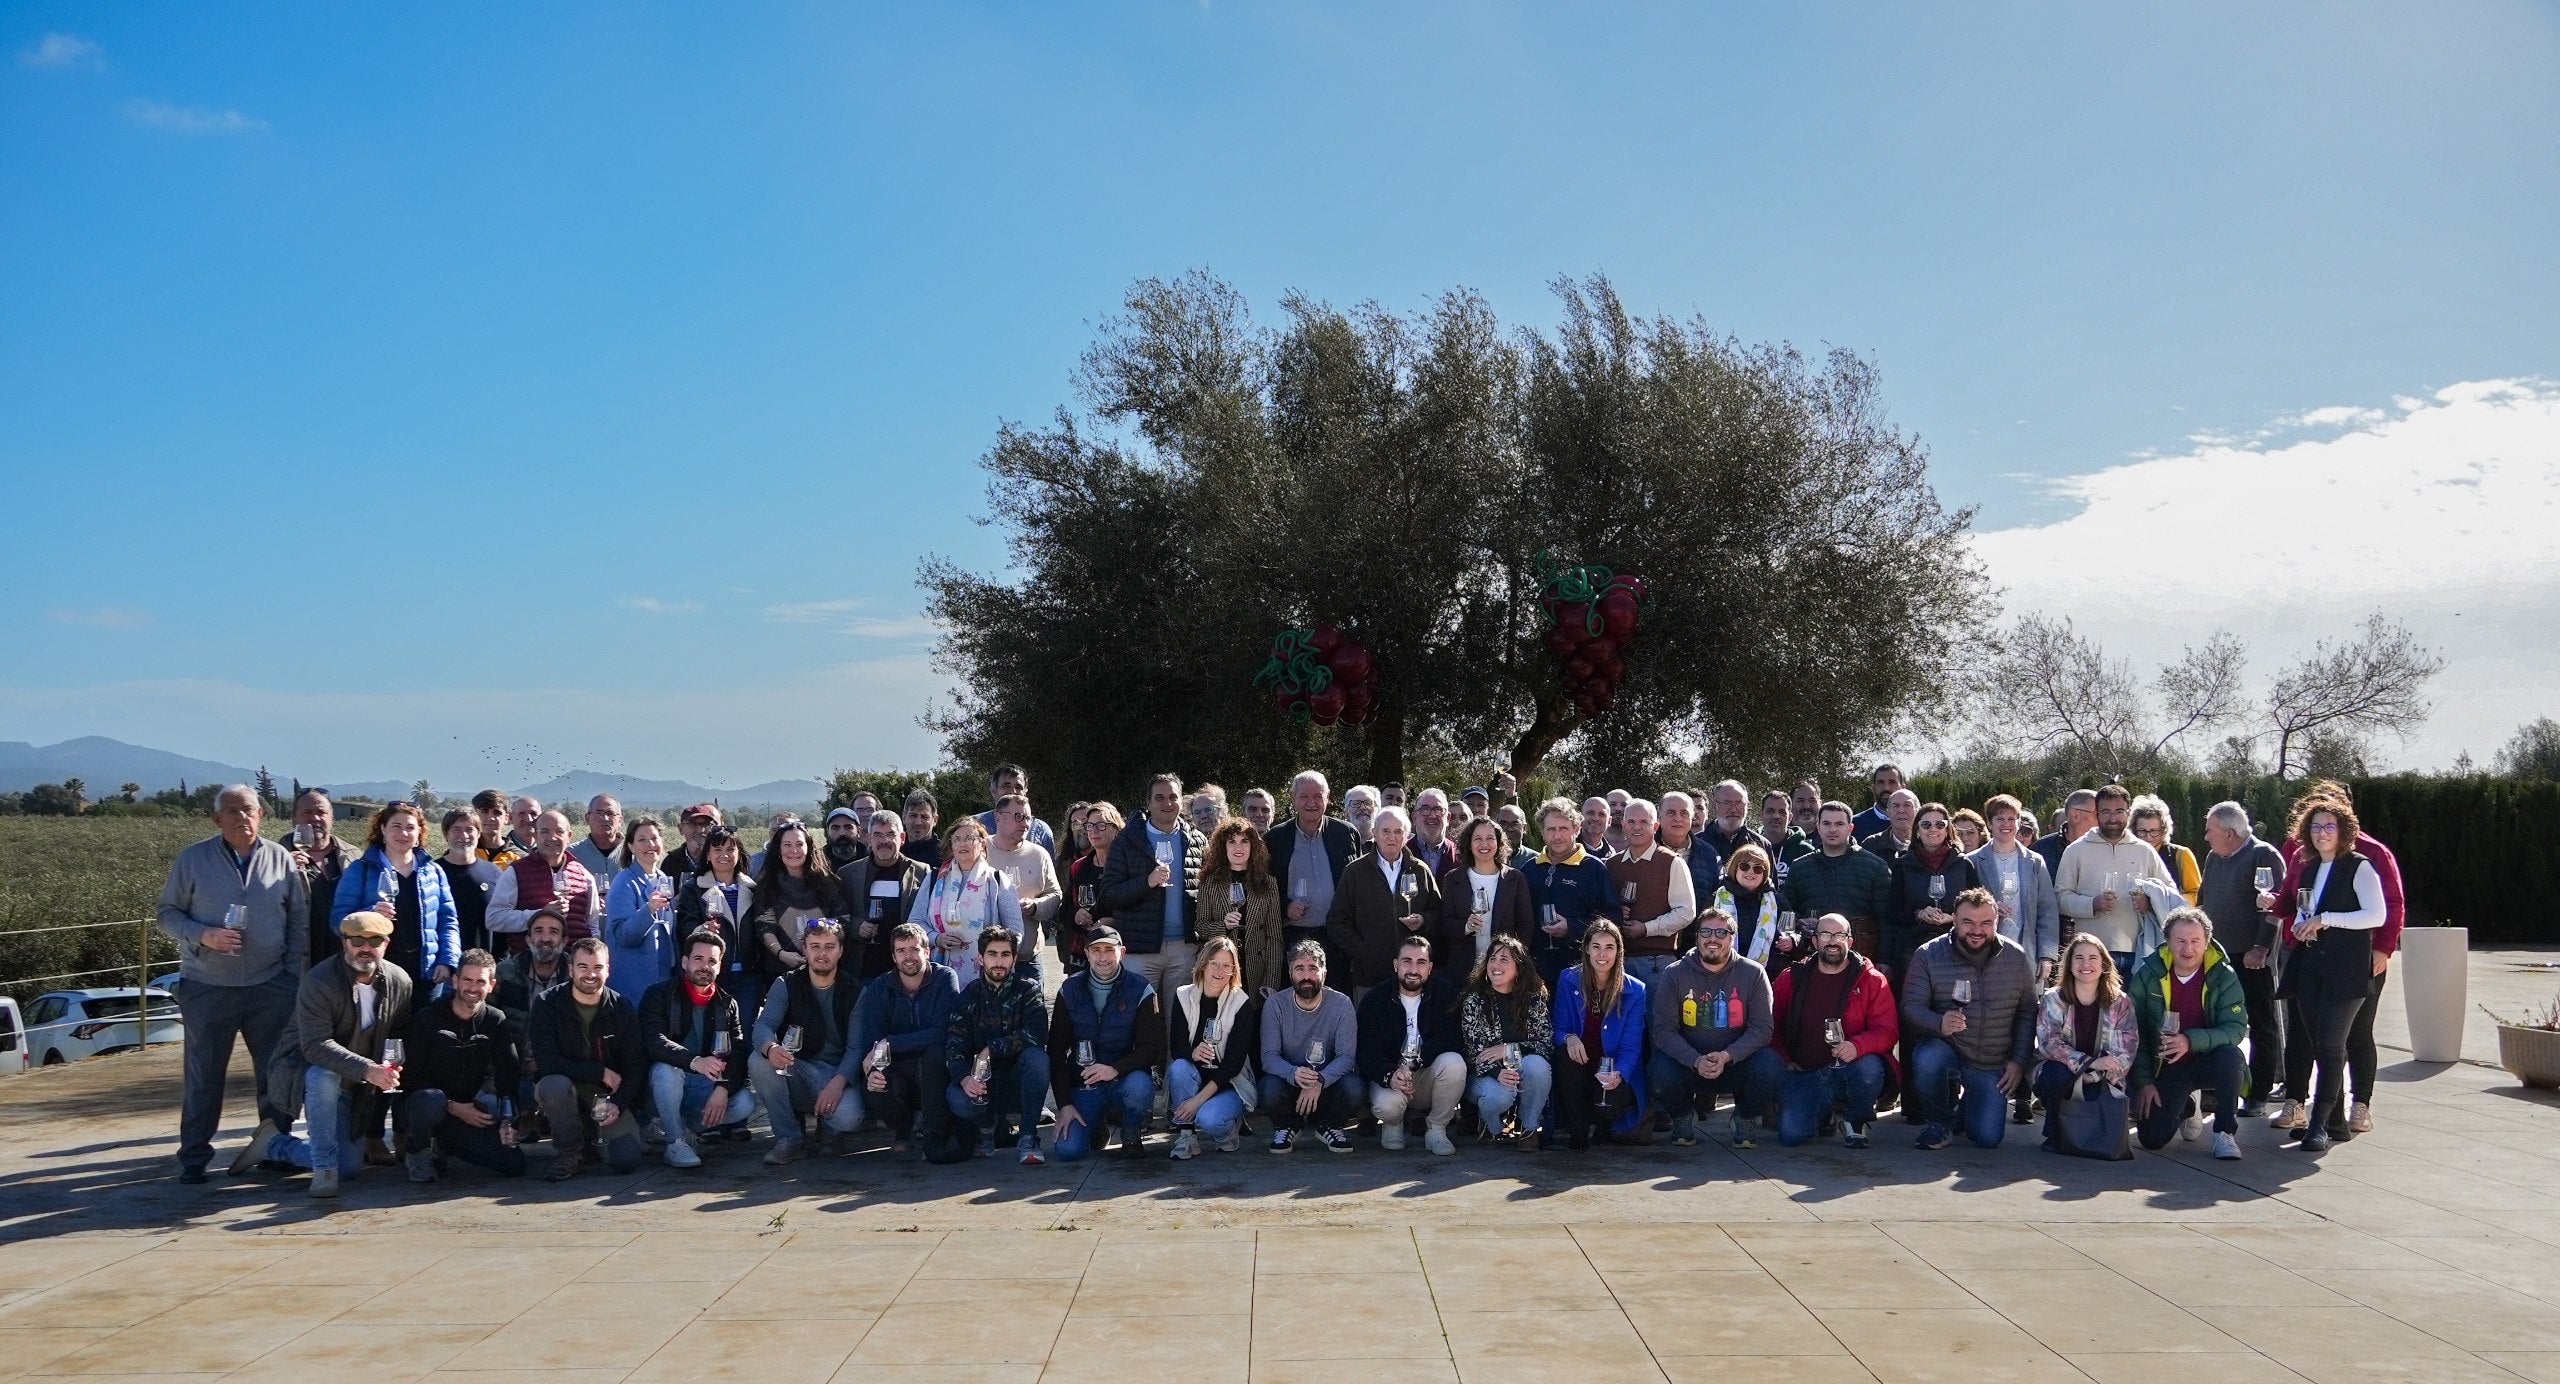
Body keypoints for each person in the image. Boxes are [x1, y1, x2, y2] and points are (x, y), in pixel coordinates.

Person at [158, 786, 305, 1182]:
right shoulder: (193, 859)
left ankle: (276, 1148)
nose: (243, 818)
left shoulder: (279, 859)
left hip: (270, 985)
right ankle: (194, 1158)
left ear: (261, 815)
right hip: (207, 986)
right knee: (205, 1075)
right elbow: (167, 913)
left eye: (249, 810)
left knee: (275, 1074)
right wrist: (203, 935)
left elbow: (298, 921)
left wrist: (290, 974)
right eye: (233, 811)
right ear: (216, 819)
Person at [234, 909, 414, 1197]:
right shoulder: (319, 981)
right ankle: (323, 1171)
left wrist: (392, 1065)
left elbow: (398, 1032)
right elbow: (315, 1046)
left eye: (374, 940)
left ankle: (273, 1145)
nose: (365, 948)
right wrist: (370, 1069)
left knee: (349, 1168)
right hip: (305, 1071)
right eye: (357, 940)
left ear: (386, 944)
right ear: (344, 942)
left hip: (358, 1084)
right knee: (323, 1075)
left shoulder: (400, 981)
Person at [2277, 782, 2406, 1136]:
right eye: (2316, 820)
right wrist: (2277, 908)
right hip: (2310, 960)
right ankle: (2310, 1109)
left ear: (2345, 816)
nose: (2322, 828)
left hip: (2356, 962)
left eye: (2330, 819)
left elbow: (2387, 909)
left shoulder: (2369, 857)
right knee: (2310, 1038)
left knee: (2354, 1037)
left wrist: (2382, 949)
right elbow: (2295, 900)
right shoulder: (2304, 857)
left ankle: (2356, 1107)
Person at [1902, 889, 2038, 1151]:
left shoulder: (2016, 956)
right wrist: (1938, 1023)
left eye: (1986, 923)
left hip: (1992, 1061)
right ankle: (1939, 1121)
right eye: (1968, 922)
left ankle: (1965, 1111)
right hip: (1949, 1048)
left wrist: (2019, 1060)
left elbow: (2027, 1012)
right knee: (1927, 1058)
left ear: (1997, 921)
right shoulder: (1928, 954)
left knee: (1987, 1139)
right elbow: (1911, 1006)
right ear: (1954, 919)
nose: (1977, 930)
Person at [1645, 906, 1781, 1148]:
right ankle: (1682, 1117)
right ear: (1696, 936)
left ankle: (1745, 1117)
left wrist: (1728, 1056)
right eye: (1706, 932)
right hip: (1689, 1065)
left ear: (1732, 937)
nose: (1712, 939)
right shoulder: (1674, 974)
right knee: (1659, 1070)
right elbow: (1663, 1030)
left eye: (1721, 933)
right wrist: (1696, 1060)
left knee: (1770, 1066)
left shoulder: (1753, 973)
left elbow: (1762, 1029)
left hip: (1736, 1064)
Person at [394, 947, 528, 1183]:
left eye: (480, 981)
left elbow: (509, 1073)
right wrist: (451, 1105)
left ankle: (445, 1145)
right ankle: (418, 1149)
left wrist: (509, 1121)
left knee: (513, 1163)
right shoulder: (428, 1018)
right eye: (467, 980)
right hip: (422, 1105)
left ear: (491, 985)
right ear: (455, 981)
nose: (473, 988)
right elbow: (408, 1078)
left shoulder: (495, 1020)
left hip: (465, 1110)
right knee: (432, 1100)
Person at [2129, 908, 2249, 1160]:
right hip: (2165, 1065)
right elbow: (2132, 1032)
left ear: (2207, 942)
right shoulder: (2148, 974)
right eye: (2180, 941)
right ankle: (2188, 1105)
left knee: (2231, 1057)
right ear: (2168, 942)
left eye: (2195, 941)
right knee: (2151, 1139)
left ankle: (2224, 1132)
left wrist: (2189, 1041)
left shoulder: (2223, 976)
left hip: (2207, 1058)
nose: (2188, 949)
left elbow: (2235, 1028)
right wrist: (2144, 1082)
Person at [1770, 912, 1897, 1148]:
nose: (1832, 941)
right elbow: (1770, 1024)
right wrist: (1785, 1059)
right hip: (1803, 1072)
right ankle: (1823, 1114)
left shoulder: (1871, 980)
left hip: (1847, 1070)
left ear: (1849, 941)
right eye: (1825, 934)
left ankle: (1855, 1121)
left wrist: (1857, 1046)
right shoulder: (1792, 978)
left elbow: (1887, 1030)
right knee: (1792, 1136)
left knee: (1870, 1068)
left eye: (1839, 935)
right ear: (1815, 941)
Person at [528, 936, 647, 1180]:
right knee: (553, 1085)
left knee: (627, 1161)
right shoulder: (546, 1004)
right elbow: (547, 1061)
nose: (590, 974)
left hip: (605, 1098)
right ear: (570, 969)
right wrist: (599, 1072)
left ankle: (592, 1139)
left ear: (608, 970)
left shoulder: (622, 1007)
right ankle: (570, 1152)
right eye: (583, 967)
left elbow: (636, 1065)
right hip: (565, 1088)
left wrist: (619, 1103)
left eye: (598, 967)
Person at [748, 920, 867, 1163]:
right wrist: (771, 1047)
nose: (821, 953)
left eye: (829, 946)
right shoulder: (786, 983)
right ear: (804, 949)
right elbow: (763, 1025)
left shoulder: (855, 990)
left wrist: (838, 1084)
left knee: (850, 1117)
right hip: (799, 1068)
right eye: (815, 946)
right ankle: (789, 1139)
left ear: (841, 950)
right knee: (758, 1061)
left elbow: (857, 1048)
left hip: (837, 1074)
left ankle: (831, 1129)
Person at [639, 929, 758, 1168]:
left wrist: (723, 1088)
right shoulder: (659, 994)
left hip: (700, 1085)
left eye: (712, 961)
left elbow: (738, 1052)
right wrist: (694, 1061)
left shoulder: (727, 1003)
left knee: (745, 1102)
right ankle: (674, 1142)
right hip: (657, 1088)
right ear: (684, 962)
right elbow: (653, 1040)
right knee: (666, 1070)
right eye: (698, 959)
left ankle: (683, 1130)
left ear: (720, 965)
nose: (705, 966)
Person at [2198, 801, 2287, 1114]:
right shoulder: (2213, 857)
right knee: (2217, 1020)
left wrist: (2261, 947)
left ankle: (2259, 1092)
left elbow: (2276, 907)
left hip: (2253, 958)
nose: (2206, 836)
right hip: (2218, 956)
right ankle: (2215, 1087)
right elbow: (2204, 901)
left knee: (2261, 1023)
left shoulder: (2263, 855)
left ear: (2230, 833)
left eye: (2210, 830)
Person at [1049, 925, 1165, 1161]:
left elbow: (1152, 1049)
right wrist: (1064, 1104)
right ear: (1087, 953)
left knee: (1141, 1086)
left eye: (1109, 950)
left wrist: (1114, 1069)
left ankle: (1131, 1129)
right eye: (1096, 950)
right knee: (1068, 1151)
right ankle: (1096, 1125)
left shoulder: (1141, 989)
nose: (1103, 957)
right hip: (1084, 1085)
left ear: (1121, 952)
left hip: (1124, 1080)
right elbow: (1056, 1050)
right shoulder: (1069, 989)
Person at [944, 925, 1052, 1163]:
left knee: (1038, 1059)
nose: (999, 961)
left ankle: (1028, 1135)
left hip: (1017, 1079)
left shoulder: (1028, 989)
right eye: (992, 954)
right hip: (982, 1081)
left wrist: (991, 1048)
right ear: (980, 958)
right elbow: (954, 1048)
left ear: (1015, 958)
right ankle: (986, 1128)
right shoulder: (968, 995)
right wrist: (965, 1078)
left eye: (1005, 955)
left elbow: (1037, 1034)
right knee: (957, 1098)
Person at [332, 800, 462, 998]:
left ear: (419, 832)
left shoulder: (434, 872)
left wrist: (447, 960)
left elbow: (448, 920)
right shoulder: (360, 870)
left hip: (426, 974)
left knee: (424, 1028)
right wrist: (368, 915)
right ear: (383, 830)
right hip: (376, 972)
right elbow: (337, 920)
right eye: (396, 826)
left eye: (410, 827)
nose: (403, 834)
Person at [855, 923, 963, 1156]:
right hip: (897, 1064)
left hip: (935, 1064)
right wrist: (874, 1069)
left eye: (914, 949)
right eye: (901, 951)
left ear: (927, 951)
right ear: (893, 956)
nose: (908, 957)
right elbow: (872, 1041)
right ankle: (902, 1129)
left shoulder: (945, 978)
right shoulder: (879, 987)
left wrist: (890, 1042)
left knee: (934, 1055)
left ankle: (935, 1135)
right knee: (874, 1085)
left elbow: (943, 1031)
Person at [1357, 934, 1465, 1155]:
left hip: (1426, 1074)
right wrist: (1390, 1075)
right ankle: (1393, 1124)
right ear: (1396, 964)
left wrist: (1415, 1063)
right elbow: (1367, 1050)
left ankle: (1436, 1129)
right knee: (1387, 1107)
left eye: (1421, 962)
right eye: (1407, 961)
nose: (1413, 969)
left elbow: (1449, 1038)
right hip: (1390, 1077)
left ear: (1430, 967)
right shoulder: (1375, 999)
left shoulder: (1445, 993)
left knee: (1454, 1063)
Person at [1326, 805, 1445, 999]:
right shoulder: (1355, 872)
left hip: (1413, 977)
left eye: (1398, 831)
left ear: (1406, 835)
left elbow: (1439, 912)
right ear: (1374, 833)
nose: (1392, 837)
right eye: (1386, 831)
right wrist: (1363, 950)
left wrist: (1423, 920)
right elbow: (1336, 922)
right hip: (1369, 977)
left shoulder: (1420, 870)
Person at [2032, 934, 2137, 1152]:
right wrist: (2089, 1063)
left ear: (2104, 964)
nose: (2085, 964)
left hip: (2104, 1077)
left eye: (2092, 958)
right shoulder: (2054, 998)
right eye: (2078, 958)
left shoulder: (2121, 1002)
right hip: (2062, 1072)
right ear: (2069, 965)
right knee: (2055, 1075)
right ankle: (2054, 1132)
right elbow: (2048, 1044)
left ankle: (2096, 1138)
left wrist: (2094, 1075)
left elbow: (2126, 1050)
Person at [1101, 773, 1206, 991]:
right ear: (1148, 803)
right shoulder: (1127, 841)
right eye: (1159, 797)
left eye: (1173, 797)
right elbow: (1109, 894)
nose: (1167, 803)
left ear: (1181, 801)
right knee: (1141, 1020)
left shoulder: (1198, 840)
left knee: (1176, 1021)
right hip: (1140, 951)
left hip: (1184, 949)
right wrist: (1146, 882)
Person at [2055, 784, 2173, 977]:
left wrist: (2150, 903)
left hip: (2140, 951)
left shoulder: (2144, 850)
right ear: (2096, 813)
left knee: (2134, 1008)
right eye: (2106, 812)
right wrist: (2092, 903)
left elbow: (2169, 892)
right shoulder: (2076, 850)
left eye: (2119, 811)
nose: (2112, 818)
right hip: (2092, 954)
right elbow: (2060, 898)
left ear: (2128, 812)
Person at [1257, 940, 1362, 1153]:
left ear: (1324, 972)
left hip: (1326, 1084)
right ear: (1290, 972)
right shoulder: (1275, 1005)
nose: (1306, 976)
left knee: (1355, 1088)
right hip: (1289, 1082)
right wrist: (1294, 1074)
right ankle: (1287, 1126)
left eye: (1313, 968)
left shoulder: (1342, 1004)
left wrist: (1319, 1081)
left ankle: (1330, 1126)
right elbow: (1269, 1057)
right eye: (1299, 969)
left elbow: (1347, 1057)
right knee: (1268, 1088)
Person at [1552, 921, 1650, 1149]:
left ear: (1619, 951)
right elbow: (1558, 1029)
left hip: (1611, 1065)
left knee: (1610, 1103)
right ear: (1586, 949)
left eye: (1609, 947)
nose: (1602, 954)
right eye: (1596, 946)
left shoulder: (1635, 990)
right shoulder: (1568, 979)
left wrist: (1620, 1073)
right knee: (1566, 1056)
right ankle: (1578, 1131)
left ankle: (1604, 1126)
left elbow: (1631, 1046)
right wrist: (1569, 1038)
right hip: (1579, 1065)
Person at [1167, 935, 1263, 1159]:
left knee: (1209, 1119)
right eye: (1214, 963)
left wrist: (1196, 1101)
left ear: (1233, 970)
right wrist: (1192, 1052)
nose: (1219, 971)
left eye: (1226, 966)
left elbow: (1233, 1065)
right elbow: (1177, 1046)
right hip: (1194, 1077)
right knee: (1179, 1067)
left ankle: (1228, 1131)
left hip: (1230, 1084)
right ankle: (1187, 1136)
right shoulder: (1183, 995)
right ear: (1203, 964)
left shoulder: (1241, 1002)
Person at [1460, 934, 1553, 1145]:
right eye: (1492, 958)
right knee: (1498, 1096)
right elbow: (1473, 1053)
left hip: (1518, 1067)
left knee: (1538, 1066)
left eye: (1504, 959)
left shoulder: (1534, 997)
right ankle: (1491, 1127)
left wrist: (1509, 1049)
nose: (1496, 964)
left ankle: (1529, 1129)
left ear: (1518, 967)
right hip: (1483, 1075)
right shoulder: (1474, 1000)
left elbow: (1545, 1043)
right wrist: (1496, 1072)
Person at [1966, 795, 2062, 985]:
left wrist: (2046, 955)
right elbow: (1964, 905)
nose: (2006, 824)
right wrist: (1989, 906)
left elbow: (2047, 910)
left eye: (2012, 819)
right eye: (2000, 819)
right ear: (1990, 823)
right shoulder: (1972, 861)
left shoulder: (2035, 861)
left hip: (2027, 951)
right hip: (1984, 952)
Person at [1525, 797, 1619, 988]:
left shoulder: (1594, 869)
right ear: (1542, 832)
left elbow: (1613, 918)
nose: (1557, 836)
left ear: (1576, 830)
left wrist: (1571, 927)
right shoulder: (1529, 869)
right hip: (1534, 971)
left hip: (1581, 971)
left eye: (1563, 829)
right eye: (1551, 829)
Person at [1266, 770, 1358, 959]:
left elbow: (1359, 884)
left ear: (1328, 798)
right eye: (1304, 797)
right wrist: (1286, 908)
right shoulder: (1275, 839)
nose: (1311, 803)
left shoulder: (1346, 834)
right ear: (1293, 799)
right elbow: (1264, 890)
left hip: (1338, 938)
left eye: (1318, 796)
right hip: (1293, 937)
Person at [1783, 802, 1892, 962]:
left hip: (1862, 959)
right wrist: (1802, 925)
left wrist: (1885, 960)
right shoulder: (1799, 867)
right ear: (1818, 827)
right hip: (1812, 960)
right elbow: (1788, 914)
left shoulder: (1875, 866)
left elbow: (1887, 920)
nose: (1833, 829)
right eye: (1826, 823)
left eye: (1839, 824)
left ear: (1850, 828)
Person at [1884, 803, 1980, 976]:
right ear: (1917, 831)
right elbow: (1892, 913)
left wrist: (1952, 917)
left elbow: (1978, 907)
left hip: (1957, 946)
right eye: (1926, 825)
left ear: (1947, 830)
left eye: (1940, 824)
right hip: (1913, 948)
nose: (1933, 829)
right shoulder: (1903, 866)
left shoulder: (1964, 865)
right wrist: (1919, 914)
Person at [487, 809, 606, 949]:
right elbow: (494, 918)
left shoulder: (584, 875)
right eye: (544, 831)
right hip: (528, 965)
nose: (552, 837)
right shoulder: (516, 871)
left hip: (572, 965)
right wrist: (539, 915)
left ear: (569, 836)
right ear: (536, 835)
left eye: (559, 832)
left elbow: (592, 925)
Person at [751, 818, 846, 986]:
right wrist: (781, 954)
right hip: (778, 971)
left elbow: (842, 921)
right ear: (778, 849)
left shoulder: (829, 883)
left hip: (824, 971)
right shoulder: (766, 885)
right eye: (787, 844)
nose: (794, 850)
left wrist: (818, 952)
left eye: (799, 844)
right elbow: (764, 926)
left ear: (808, 847)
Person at [1439, 817, 1535, 979]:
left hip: (1504, 971)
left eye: (1490, 838)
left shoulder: (1515, 878)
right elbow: (1444, 923)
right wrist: (1465, 926)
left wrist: (1514, 959)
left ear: (1499, 843)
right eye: (1478, 839)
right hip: (1462, 971)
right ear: (1469, 844)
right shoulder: (1453, 879)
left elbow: (1526, 926)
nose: (1484, 844)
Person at [1198, 817, 1285, 995]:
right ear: (1223, 847)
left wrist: (1271, 980)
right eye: (1232, 842)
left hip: (1256, 972)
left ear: (1253, 846)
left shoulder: (1268, 883)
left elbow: (1274, 937)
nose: (1238, 847)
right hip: (1220, 970)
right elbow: (1200, 927)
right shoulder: (1209, 883)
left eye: (1244, 841)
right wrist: (1224, 926)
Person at [840, 808, 928, 981]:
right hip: (864, 969)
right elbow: (837, 915)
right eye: (878, 835)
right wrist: (856, 926)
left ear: (902, 838)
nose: (884, 841)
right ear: (868, 838)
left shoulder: (922, 872)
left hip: (908, 968)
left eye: (890, 834)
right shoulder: (848, 874)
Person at [672, 824, 757, 994]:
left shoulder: (753, 889)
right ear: (708, 855)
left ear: (738, 854)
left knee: (745, 1021)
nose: (724, 855)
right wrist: (701, 930)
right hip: (710, 974)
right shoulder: (693, 888)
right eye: (717, 849)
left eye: (730, 849)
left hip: (750, 976)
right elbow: (684, 927)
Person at [604, 816, 679, 1004]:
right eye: (642, 840)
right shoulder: (624, 882)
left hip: (665, 978)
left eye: (654, 838)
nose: (650, 844)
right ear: (631, 847)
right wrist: (649, 909)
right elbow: (624, 935)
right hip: (635, 982)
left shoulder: (663, 879)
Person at [985, 794, 1063, 968]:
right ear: (998, 817)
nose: (1025, 824)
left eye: (1028, 818)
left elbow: (1056, 895)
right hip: (986, 960)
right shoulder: (980, 851)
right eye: (1018, 816)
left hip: (1028, 959)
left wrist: (1035, 906)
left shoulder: (1039, 854)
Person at [287, 788, 358, 965]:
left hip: (344, 963)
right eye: (307, 812)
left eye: (321, 812)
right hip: (295, 966)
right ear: (293, 819)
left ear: (332, 818)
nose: (315, 818)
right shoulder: (273, 858)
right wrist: (281, 869)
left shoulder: (355, 857)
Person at [1059, 803, 1120, 977]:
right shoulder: (1079, 867)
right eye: (1090, 825)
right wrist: (1076, 914)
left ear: (1116, 829)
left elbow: (1139, 911)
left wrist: (1114, 921)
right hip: (1082, 953)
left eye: (1101, 825)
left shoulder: (1127, 866)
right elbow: (1064, 911)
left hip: (1118, 952)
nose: (1093, 831)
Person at [439, 810, 499, 956]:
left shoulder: (494, 872)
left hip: (485, 967)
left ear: (479, 834)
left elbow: (501, 923)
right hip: (443, 967)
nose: (464, 836)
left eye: (469, 829)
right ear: (446, 834)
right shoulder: (432, 873)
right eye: (456, 829)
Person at [971, 764, 1060, 857]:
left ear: (1025, 792)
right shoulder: (975, 824)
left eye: (1018, 787)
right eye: (1006, 785)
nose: (1013, 791)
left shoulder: (1041, 830)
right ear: (994, 791)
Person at [2130, 795, 2202, 906]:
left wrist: (2165, 902)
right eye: (2142, 831)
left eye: (2154, 831)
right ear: (2134, 830)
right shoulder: (2129, 854)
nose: (2148, 837)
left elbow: (2197, 894)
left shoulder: (2181, 854)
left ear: (2164, 830)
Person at [2034, 789, 2097, 879]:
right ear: (2076, 815)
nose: (2104, 818)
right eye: (2096, 813)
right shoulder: (2042, 849)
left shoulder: (2107, 848)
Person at [569, 794, 626, 890]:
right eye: (599, 813)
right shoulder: (572, 854)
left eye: (610, 813)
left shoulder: (633, 852)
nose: (605, 818)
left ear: (620, 820)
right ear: (587, 818)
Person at [1409, 788, 1461, 876]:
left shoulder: (1460, 855)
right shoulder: (1400, 853)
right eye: (1425, 809)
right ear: (1414, 818)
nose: (1432, 816)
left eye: (1438, 810)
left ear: (1448, 818)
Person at [664, 802, 721, 881]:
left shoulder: (721, 858)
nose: (700, 830)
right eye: (693, 824)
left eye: (705, 824)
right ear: (681, 829)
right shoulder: (671, 862)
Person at [471, 789, 523, 868]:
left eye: (497, 813)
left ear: (506, 818)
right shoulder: (462, 853)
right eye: (484, 811)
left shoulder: (520, 858)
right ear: (475, 816)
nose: (491, 818)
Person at [1852, 764, 1905, 841]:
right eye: (1881, 782)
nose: (1886, 788)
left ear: (1903, 788)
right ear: (1873, 788)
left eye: (1892, 782)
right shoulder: (1855, 824)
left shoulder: (1917, 824)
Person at [901, 789, 943, 872]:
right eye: (913, 815)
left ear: (935, 820)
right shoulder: (894, 850)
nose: (918, 822)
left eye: (924, 817)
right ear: (904, 817)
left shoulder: (945, 854)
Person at [822, 806, 868, 872]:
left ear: (858, 831)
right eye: (835, 828)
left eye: (848, 827)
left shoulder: (871, 861)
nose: (842, 833)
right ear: (828, 832)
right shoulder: (816, 863)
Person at [1575, 796, 1616, 860]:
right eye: (1590, 813)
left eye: (1602, 814)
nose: (1595, 818)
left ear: (1609, 821)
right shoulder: (1568, 851)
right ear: (1580, 818)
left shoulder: (1612, 856)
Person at [1759, 789, 1795, 854]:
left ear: (1790, 817)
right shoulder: (1750, 847)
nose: (1776, 816)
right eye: (1770, 811)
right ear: (1761, 815)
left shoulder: (1805, 851)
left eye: (1782, 812)